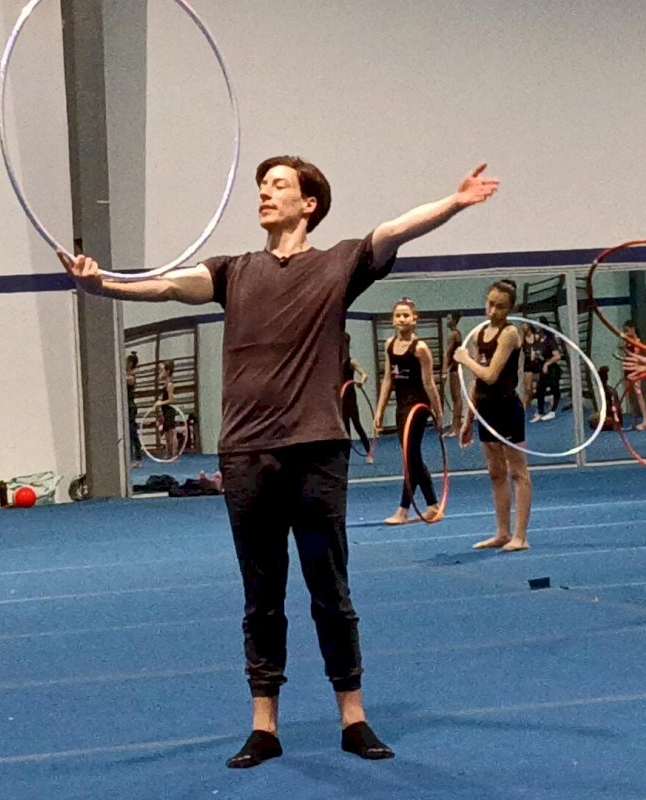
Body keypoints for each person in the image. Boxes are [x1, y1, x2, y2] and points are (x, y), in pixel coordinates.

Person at [59, 156, 498, 767]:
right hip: (246, 453)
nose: (264, 193)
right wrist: (102, 284)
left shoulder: (340, 263)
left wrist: (454, 201)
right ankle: (264, 726)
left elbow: (397, 228)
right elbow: (168, 285)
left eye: (278, 185)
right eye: (262, 185)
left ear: (308, 204)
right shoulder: (232, 271)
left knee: (330, 589)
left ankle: (354, 718)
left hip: (316, 451)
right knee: (261, 594)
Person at [454, 279, 532, 552]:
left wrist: (465, 360)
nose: (493, 311)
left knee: (518, 471)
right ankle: (502, 532)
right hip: (486, 409)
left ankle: (520, 536)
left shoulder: (510, 333)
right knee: (495, 472)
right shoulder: (480, 334)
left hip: (506, 407)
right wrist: (467, 420)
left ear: (511, 309)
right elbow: (477, 383)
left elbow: (490, 374)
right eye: (490, 304)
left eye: (500, 306)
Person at [374, 298, 444, 524]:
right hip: (402, 407)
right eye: (398, 315)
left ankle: (403, 510)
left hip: (417, 406)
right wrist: (379, 410)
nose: (402, 319)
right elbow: (388, 380)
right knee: (413, 457)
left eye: (406, 315)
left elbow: (429, 383)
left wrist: (438, 413)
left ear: (415, 319)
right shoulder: (389, 345)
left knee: (410, 456)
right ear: (392, 320)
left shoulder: (420, 349)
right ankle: (432, 505)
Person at [340, 332, 374, 463]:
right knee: (345, 428)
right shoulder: (335, 363)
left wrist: (361, 382)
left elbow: (364, 374)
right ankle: (346, 458)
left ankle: (369, 453)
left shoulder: (351, 362)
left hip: (350, 396)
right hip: (340, 398)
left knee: (357, 425)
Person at [531, 316, 562, 422]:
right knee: (540, 390)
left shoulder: (550, 340)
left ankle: (553, 411)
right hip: (542, 369)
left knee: (554, 389)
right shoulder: (538, 340)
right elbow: (537, 356)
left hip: (552, 369)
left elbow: (557, 356)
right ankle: (540, 411)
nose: (536, 326)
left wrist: (547, 364)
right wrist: (535, 356)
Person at [621, 321, 646, 430]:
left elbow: (635, 356)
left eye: (627, 330)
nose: (626, 333)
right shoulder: (628, 341)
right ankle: (634, 420)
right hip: (628, 369)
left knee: (638, 394)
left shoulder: (636, 341)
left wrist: (625, 350)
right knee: (630, 396)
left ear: (633, 329)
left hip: (635, 370)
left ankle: (645, 420)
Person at [442, 312, 463, 437]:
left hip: (454, 369)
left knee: (456, 398)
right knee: (456, 398)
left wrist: (444, 371)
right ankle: (455, 427)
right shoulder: (457, 333)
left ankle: (456, 428)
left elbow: (447, 354)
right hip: (455, 367)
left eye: (449, 318)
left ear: (454, 320)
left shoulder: (453, 335)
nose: (447, 320)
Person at [154, 360, 178, 459]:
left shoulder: (170, 384)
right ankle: (169, 454)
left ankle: (174, 455)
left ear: (167, 372)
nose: (160, 372)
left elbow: (172, 400)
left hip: (169, 410)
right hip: (165, 410)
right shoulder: (166, 383)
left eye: (162, 370)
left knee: (172, 432)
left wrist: (161, 402)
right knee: (167, 433)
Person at [589, 366, 621, 431]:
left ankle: (609, 423)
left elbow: (616, 408)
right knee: (592, 419)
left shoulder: (609, 391)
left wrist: (616, 422)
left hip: (611, 416)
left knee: (593, 420)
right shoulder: (602, 390)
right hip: (609, 415)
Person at [126, 352, 143, 467]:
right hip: (126, 407)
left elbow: (125, 380)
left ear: (131, 363)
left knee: (133, 433)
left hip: (131, 407)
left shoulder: (131, 377)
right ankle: (130, 457)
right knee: (128, 434)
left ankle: (138, 458)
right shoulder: (128, 375)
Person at [521, 323, 541, 410]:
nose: (524, 329)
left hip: (536, 364)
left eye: (525, 327)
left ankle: (533, 406)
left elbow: (541, 349)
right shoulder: (523, 339)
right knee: (527, 389)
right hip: (528, 364)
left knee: (536, 388)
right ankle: (524, 408)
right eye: (523, 328)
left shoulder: (536, 337)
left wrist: (536, 354)